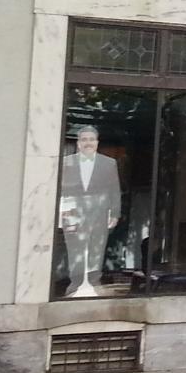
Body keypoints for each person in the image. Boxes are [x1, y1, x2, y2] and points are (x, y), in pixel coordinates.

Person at [58, 125, 122, 298]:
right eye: (84, 139)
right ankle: (76, 285)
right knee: (75, 249)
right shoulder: (66, 162)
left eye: (91, 139)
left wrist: (115, 213)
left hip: (99, 212)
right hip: (72, 212)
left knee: (96, 248)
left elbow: (114, 190)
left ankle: (93, 283)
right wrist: (59, 213)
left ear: (97, 142)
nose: (88, 143)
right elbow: (59, 190)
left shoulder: (109, 163)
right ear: (78, 143)